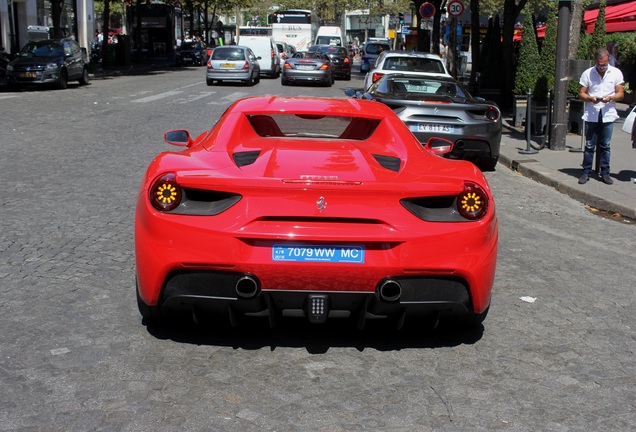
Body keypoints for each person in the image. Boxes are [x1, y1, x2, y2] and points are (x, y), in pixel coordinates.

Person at [578, 48, 625, 185]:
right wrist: (590, 98)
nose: (602, 67)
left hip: (608, 113)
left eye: (604, 64)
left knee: (605, 145)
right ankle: (586, 172)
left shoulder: (615, 73)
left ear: (608, 60)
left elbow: (620, 93)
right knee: (589, 145)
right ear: (595, 62)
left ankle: (605, 173)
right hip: (592, 113)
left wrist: (610, 97)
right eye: (599, 65)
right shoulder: (588, 73)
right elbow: (581, 93)